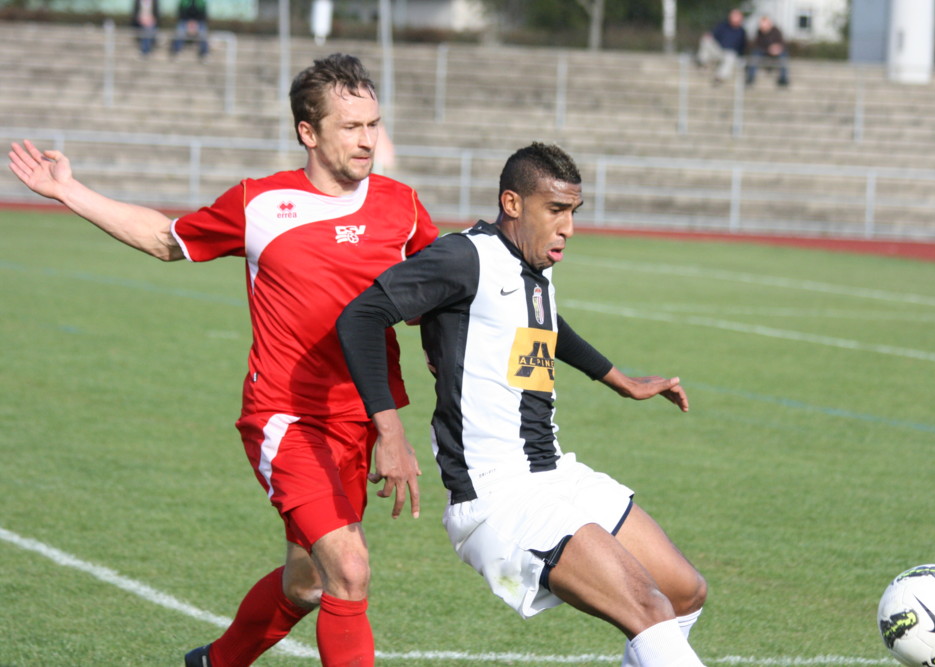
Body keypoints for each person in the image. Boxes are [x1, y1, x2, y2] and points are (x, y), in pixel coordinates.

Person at [7, 53, 438, 667]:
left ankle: (214, 662)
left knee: (307, 583)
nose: (367, 139)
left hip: (357, 422)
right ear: (308, 133)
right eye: (351, 126)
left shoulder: (401, 206)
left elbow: (440, 297)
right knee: (349, 570)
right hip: (286, 417)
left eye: (372, 124)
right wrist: (68, 190)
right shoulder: (259, 202)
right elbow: (165, 240)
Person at [337, 142, 708, 667]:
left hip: (554, 474)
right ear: (512, 204)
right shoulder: (464, 256)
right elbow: (359, 317)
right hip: (496, 497)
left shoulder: (534, 261)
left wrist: (620, 379)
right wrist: (390, 433)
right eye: (555, 210)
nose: (568, 228)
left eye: (573, 212)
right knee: (647, 607)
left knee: (684, 593)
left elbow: (547, 324)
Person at [696, 8, 747, 84]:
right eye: (733, 15)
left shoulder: (742, 32)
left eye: (736, 16)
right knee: (706, 40)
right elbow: (712, 35)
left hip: (729, 56)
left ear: (741, 18)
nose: (734, 17)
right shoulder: (722, 26)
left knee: (731, 55)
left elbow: (742, 47)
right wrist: (708, 36)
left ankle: (720, 77)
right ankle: (702, 63)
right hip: (718, 51)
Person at [745, 15, 790, 87]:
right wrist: (769, 49)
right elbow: (756, 45)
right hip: (764, 52)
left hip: (777, 53)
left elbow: (782, 44)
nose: (763, 27)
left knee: (784, 55)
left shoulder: (776, 31)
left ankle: (783, 79)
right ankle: (750, 77)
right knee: (755, 54)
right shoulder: (759, 32)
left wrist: (777, 48)